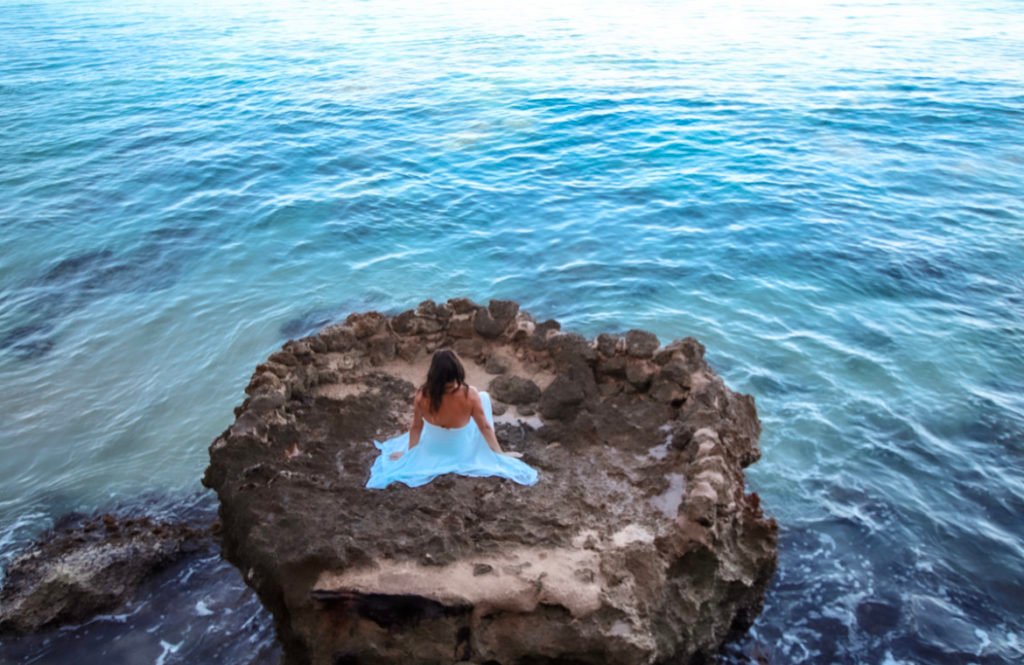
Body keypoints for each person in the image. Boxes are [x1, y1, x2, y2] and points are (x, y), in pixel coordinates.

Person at [365, 348, 539, 489]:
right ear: (458, 371)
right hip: (460, 451)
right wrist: (500, 454)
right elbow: (484, 427)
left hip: (432, 448)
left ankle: (423, 452)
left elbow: (416, 428)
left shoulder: (422, 394)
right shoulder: (469, 394)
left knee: (478, 400)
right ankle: (493, 451)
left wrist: (410, 454)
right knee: (483, 397)